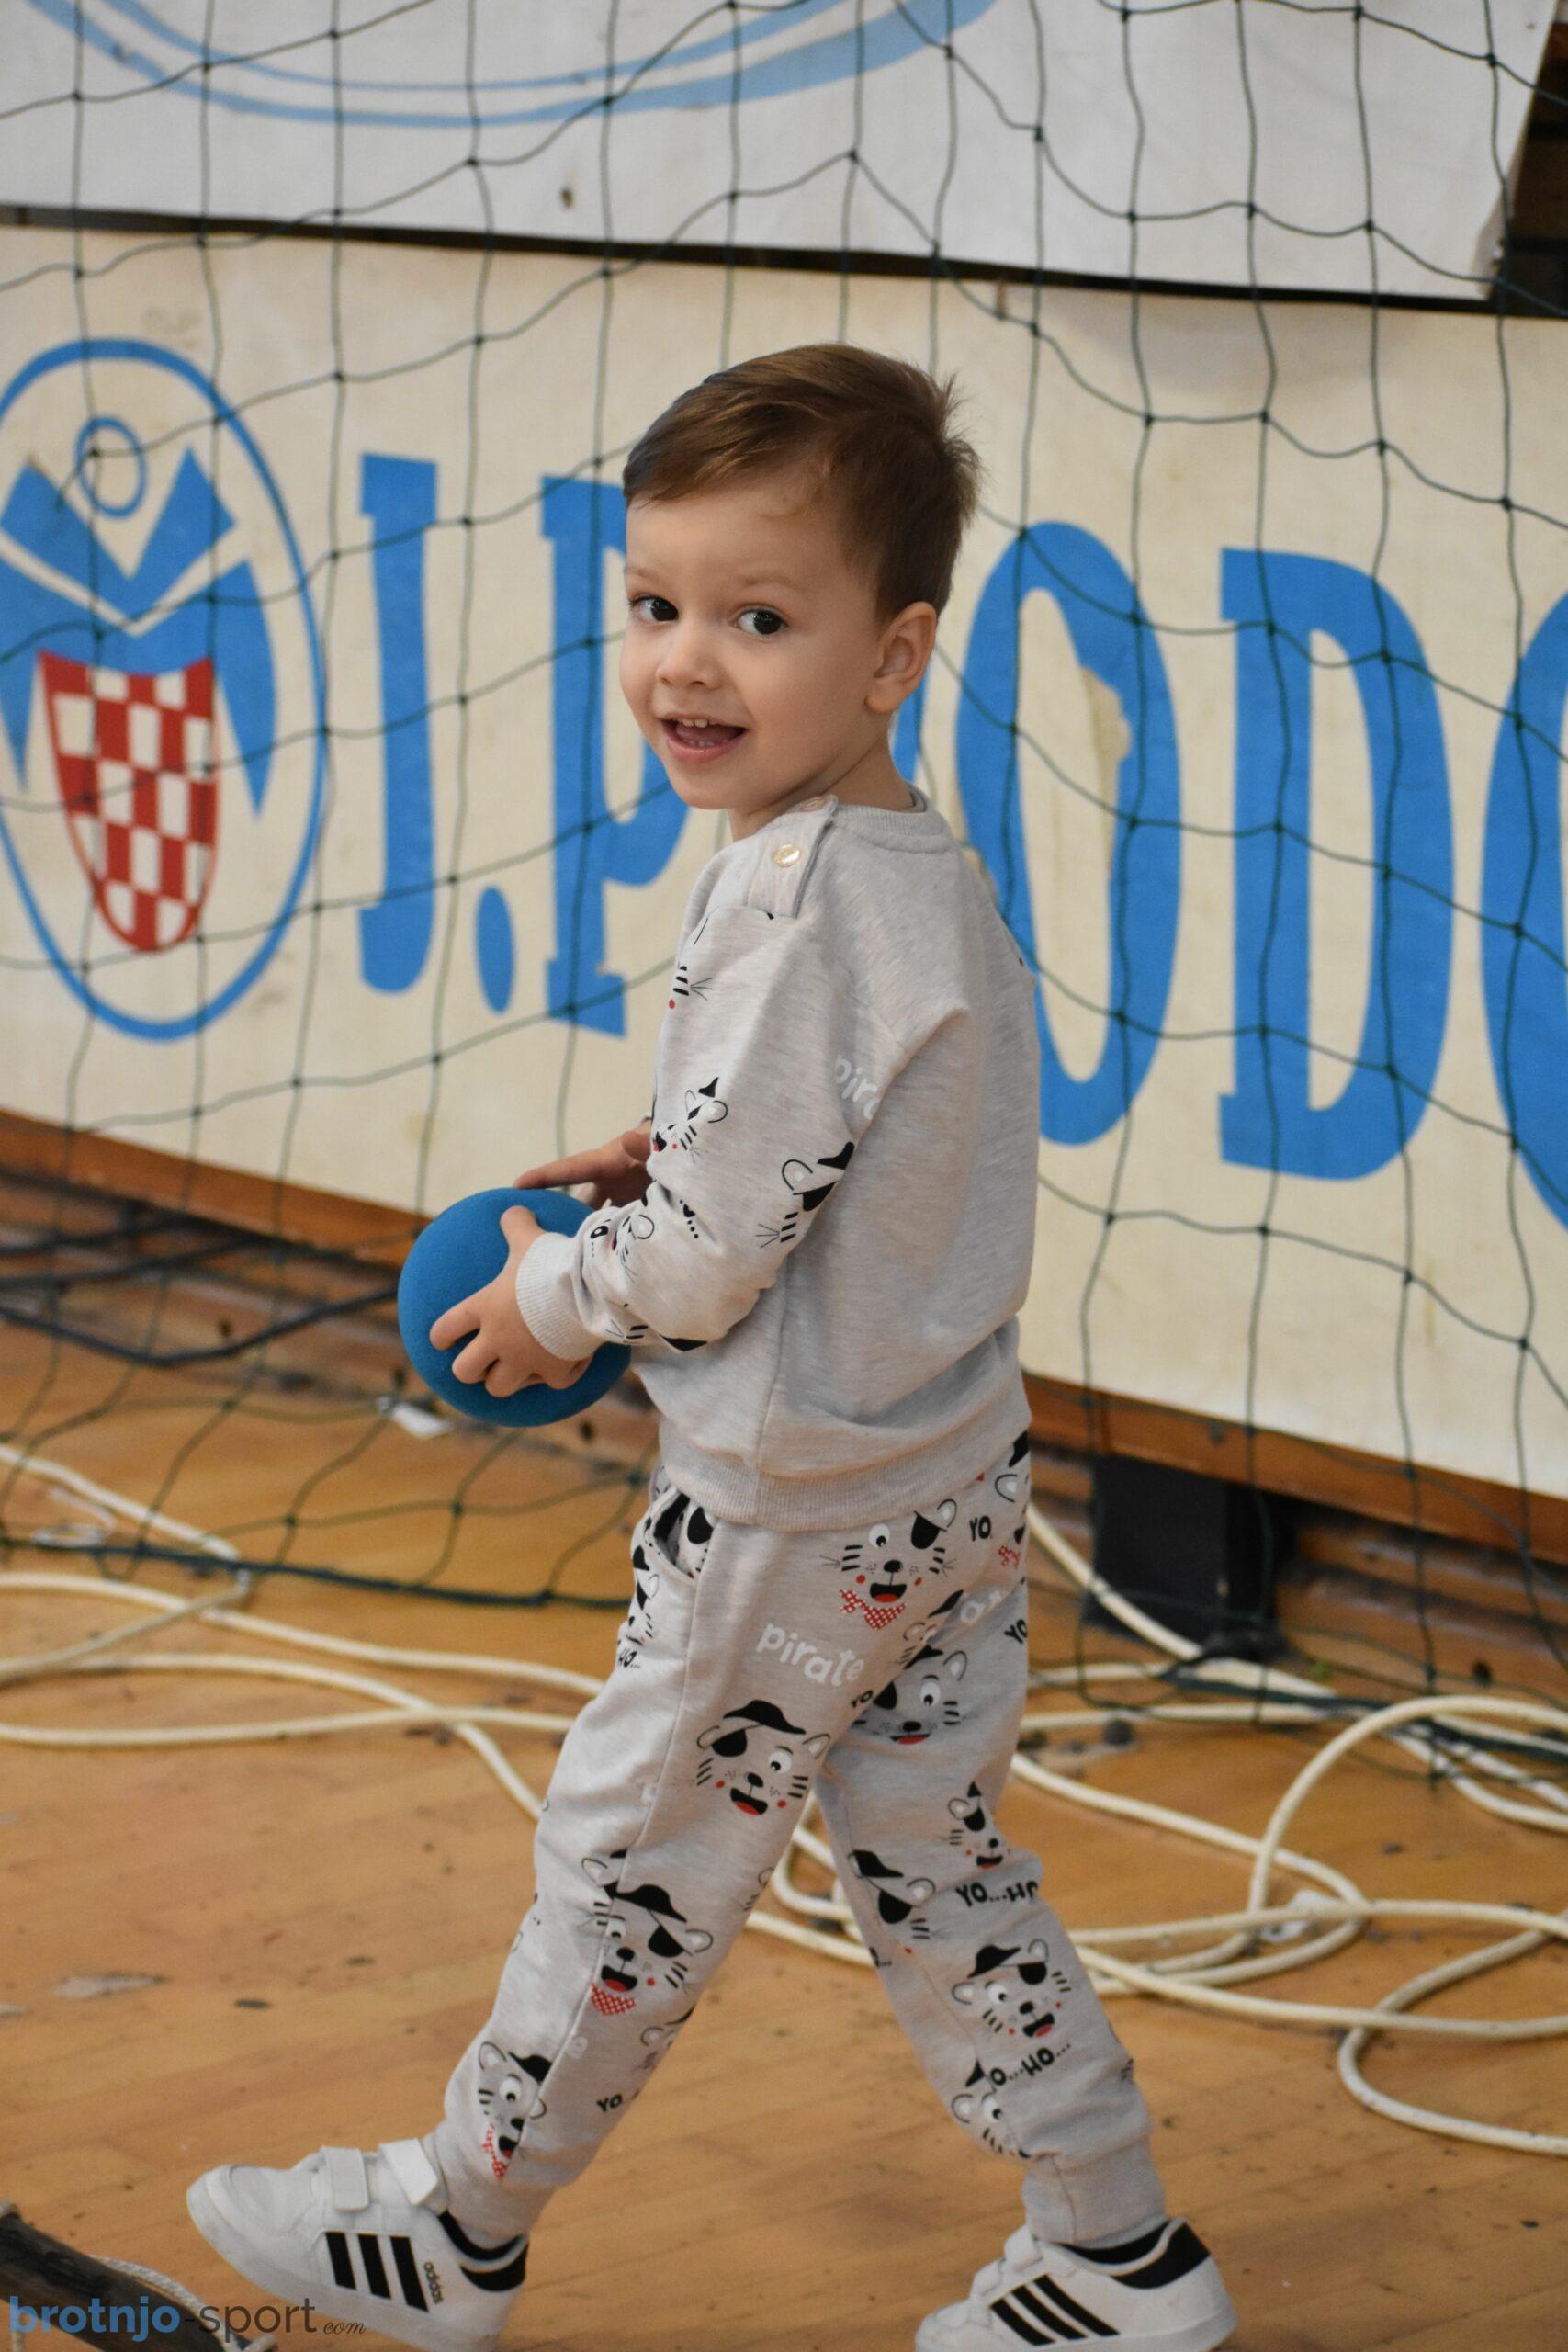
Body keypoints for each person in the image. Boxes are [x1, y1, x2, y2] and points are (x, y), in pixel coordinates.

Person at [186, 344, 1236, 2352]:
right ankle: (1117, 2248)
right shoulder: (912, 872)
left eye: (758, 618)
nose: (687, 660)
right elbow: (836, 1160)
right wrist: (670, 1159)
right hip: (946, 1488)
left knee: (628, 1864)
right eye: (656, 603)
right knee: (938, 1869)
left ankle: (458, 2225)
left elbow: (694, 1270)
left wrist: (553, 1291)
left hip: (784, 1520)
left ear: (892, 652)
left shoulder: (791, 900)